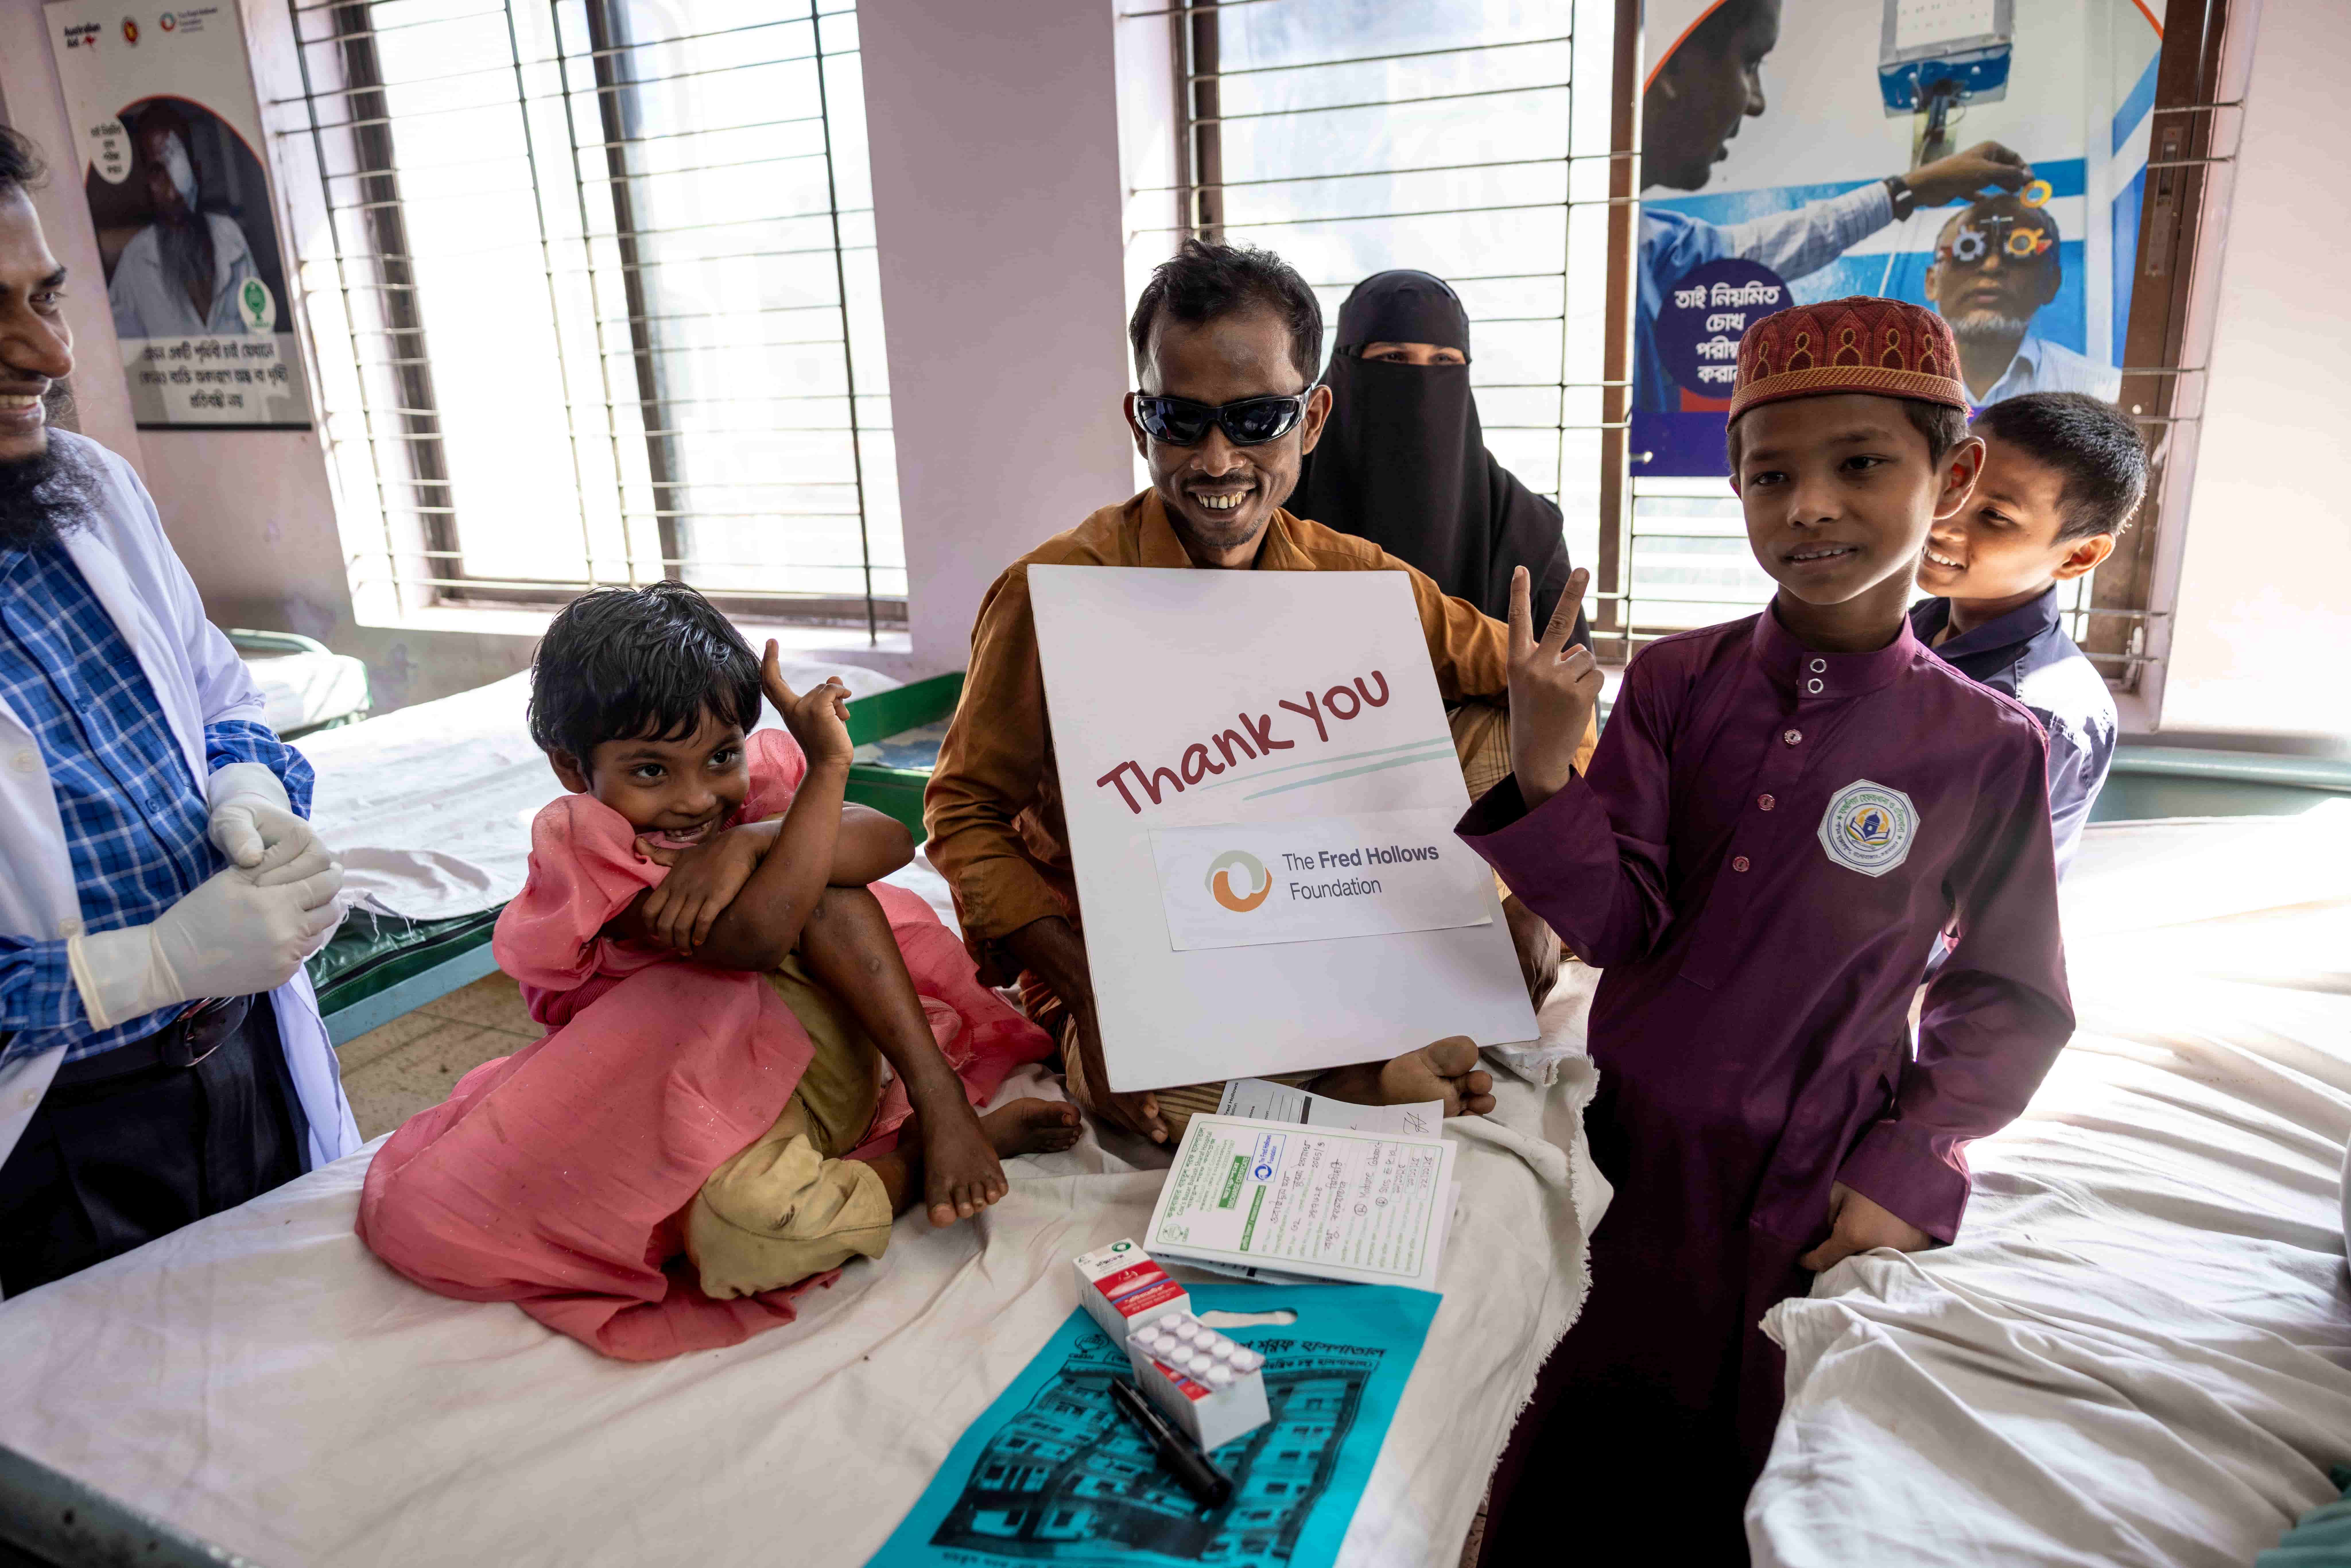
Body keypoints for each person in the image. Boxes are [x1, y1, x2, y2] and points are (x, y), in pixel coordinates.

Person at [1462, 297, 2075, 1555]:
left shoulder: (1985, 744)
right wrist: (1540, 772)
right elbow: (1616, 922)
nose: (1808, 509)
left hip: (1798, 1181)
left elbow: (2008, 997)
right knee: (1551, 1443)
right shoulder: (1679, 684)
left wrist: (1912, 1165)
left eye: (1860, 466)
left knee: (1729, 1475)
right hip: (1617, 1149)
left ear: (1950, 475)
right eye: (1770, 476)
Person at [924, 239, 1593, 1147]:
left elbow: (1549, 701)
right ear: (1138, 420)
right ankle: (1359, 1072)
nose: (1214, 460)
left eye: (1254, 420)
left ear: (1313, 419)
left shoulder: (1358, 580)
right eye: (1179, 418)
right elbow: (964, 810)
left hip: (1327, 911)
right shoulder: (1053, 593)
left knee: (1499, 718)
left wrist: (1535, 901)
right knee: (1163, 1101)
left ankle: (1359, 1040)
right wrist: (1094, 989)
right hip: (1141, 947)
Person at [358, 585, 1069, 1360]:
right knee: (742, 1230)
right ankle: (918, 1163)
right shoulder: (589, 847)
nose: (697, 798)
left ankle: (939, 1102)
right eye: (651, 772)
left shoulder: (748, 809)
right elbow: (752, 940)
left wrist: (752, 837)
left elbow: (891, 841)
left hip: (823, 1058)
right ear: (572, 767)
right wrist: (822, 778)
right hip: (689, 1093)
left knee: (830, 890)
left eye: (721, 757)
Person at [0, 127, 354, 1296]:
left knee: (293, 1374)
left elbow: (218, 696)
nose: (47, 352)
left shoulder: (89, 492)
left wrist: (252, 788)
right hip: (53, 1136)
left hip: (239, 1050)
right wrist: (132, 968)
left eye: (45, 296)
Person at [1637, 0, 2035, 411]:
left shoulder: (1656, 248)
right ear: (1671, 67)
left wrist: (1910, 189)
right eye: (1750, 63)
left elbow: (1774, 245)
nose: (1757, 103)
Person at [1288, 268, 1589, 639]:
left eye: (1444, 361)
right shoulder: (1276, 503)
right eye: (1393, 358)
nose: (1421, 384)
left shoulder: (1526, 529)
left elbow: (1571, 686)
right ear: (1343, 370)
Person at [1913, 392, 2142, 875]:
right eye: (1948, 490)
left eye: (1994, 516)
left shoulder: (2034, 716)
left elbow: (1974, 916)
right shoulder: (1915, 625)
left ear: (2077, 556)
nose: (1940, 524)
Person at [1925, 195, 2122, 404]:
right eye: (1967, 250)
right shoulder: (1894, 385)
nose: (1991, 265)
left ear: (2052, 283)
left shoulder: (2104, 394)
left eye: (2019, 249)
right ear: (1932, 282)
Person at [106, 102, 263, 339]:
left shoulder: (230, 237)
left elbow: (261, 329)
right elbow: (123, 357)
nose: (173, 193)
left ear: (197, 170)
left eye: (180, 167)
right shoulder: (135, 263)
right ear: (146, 182)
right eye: (158, 172)